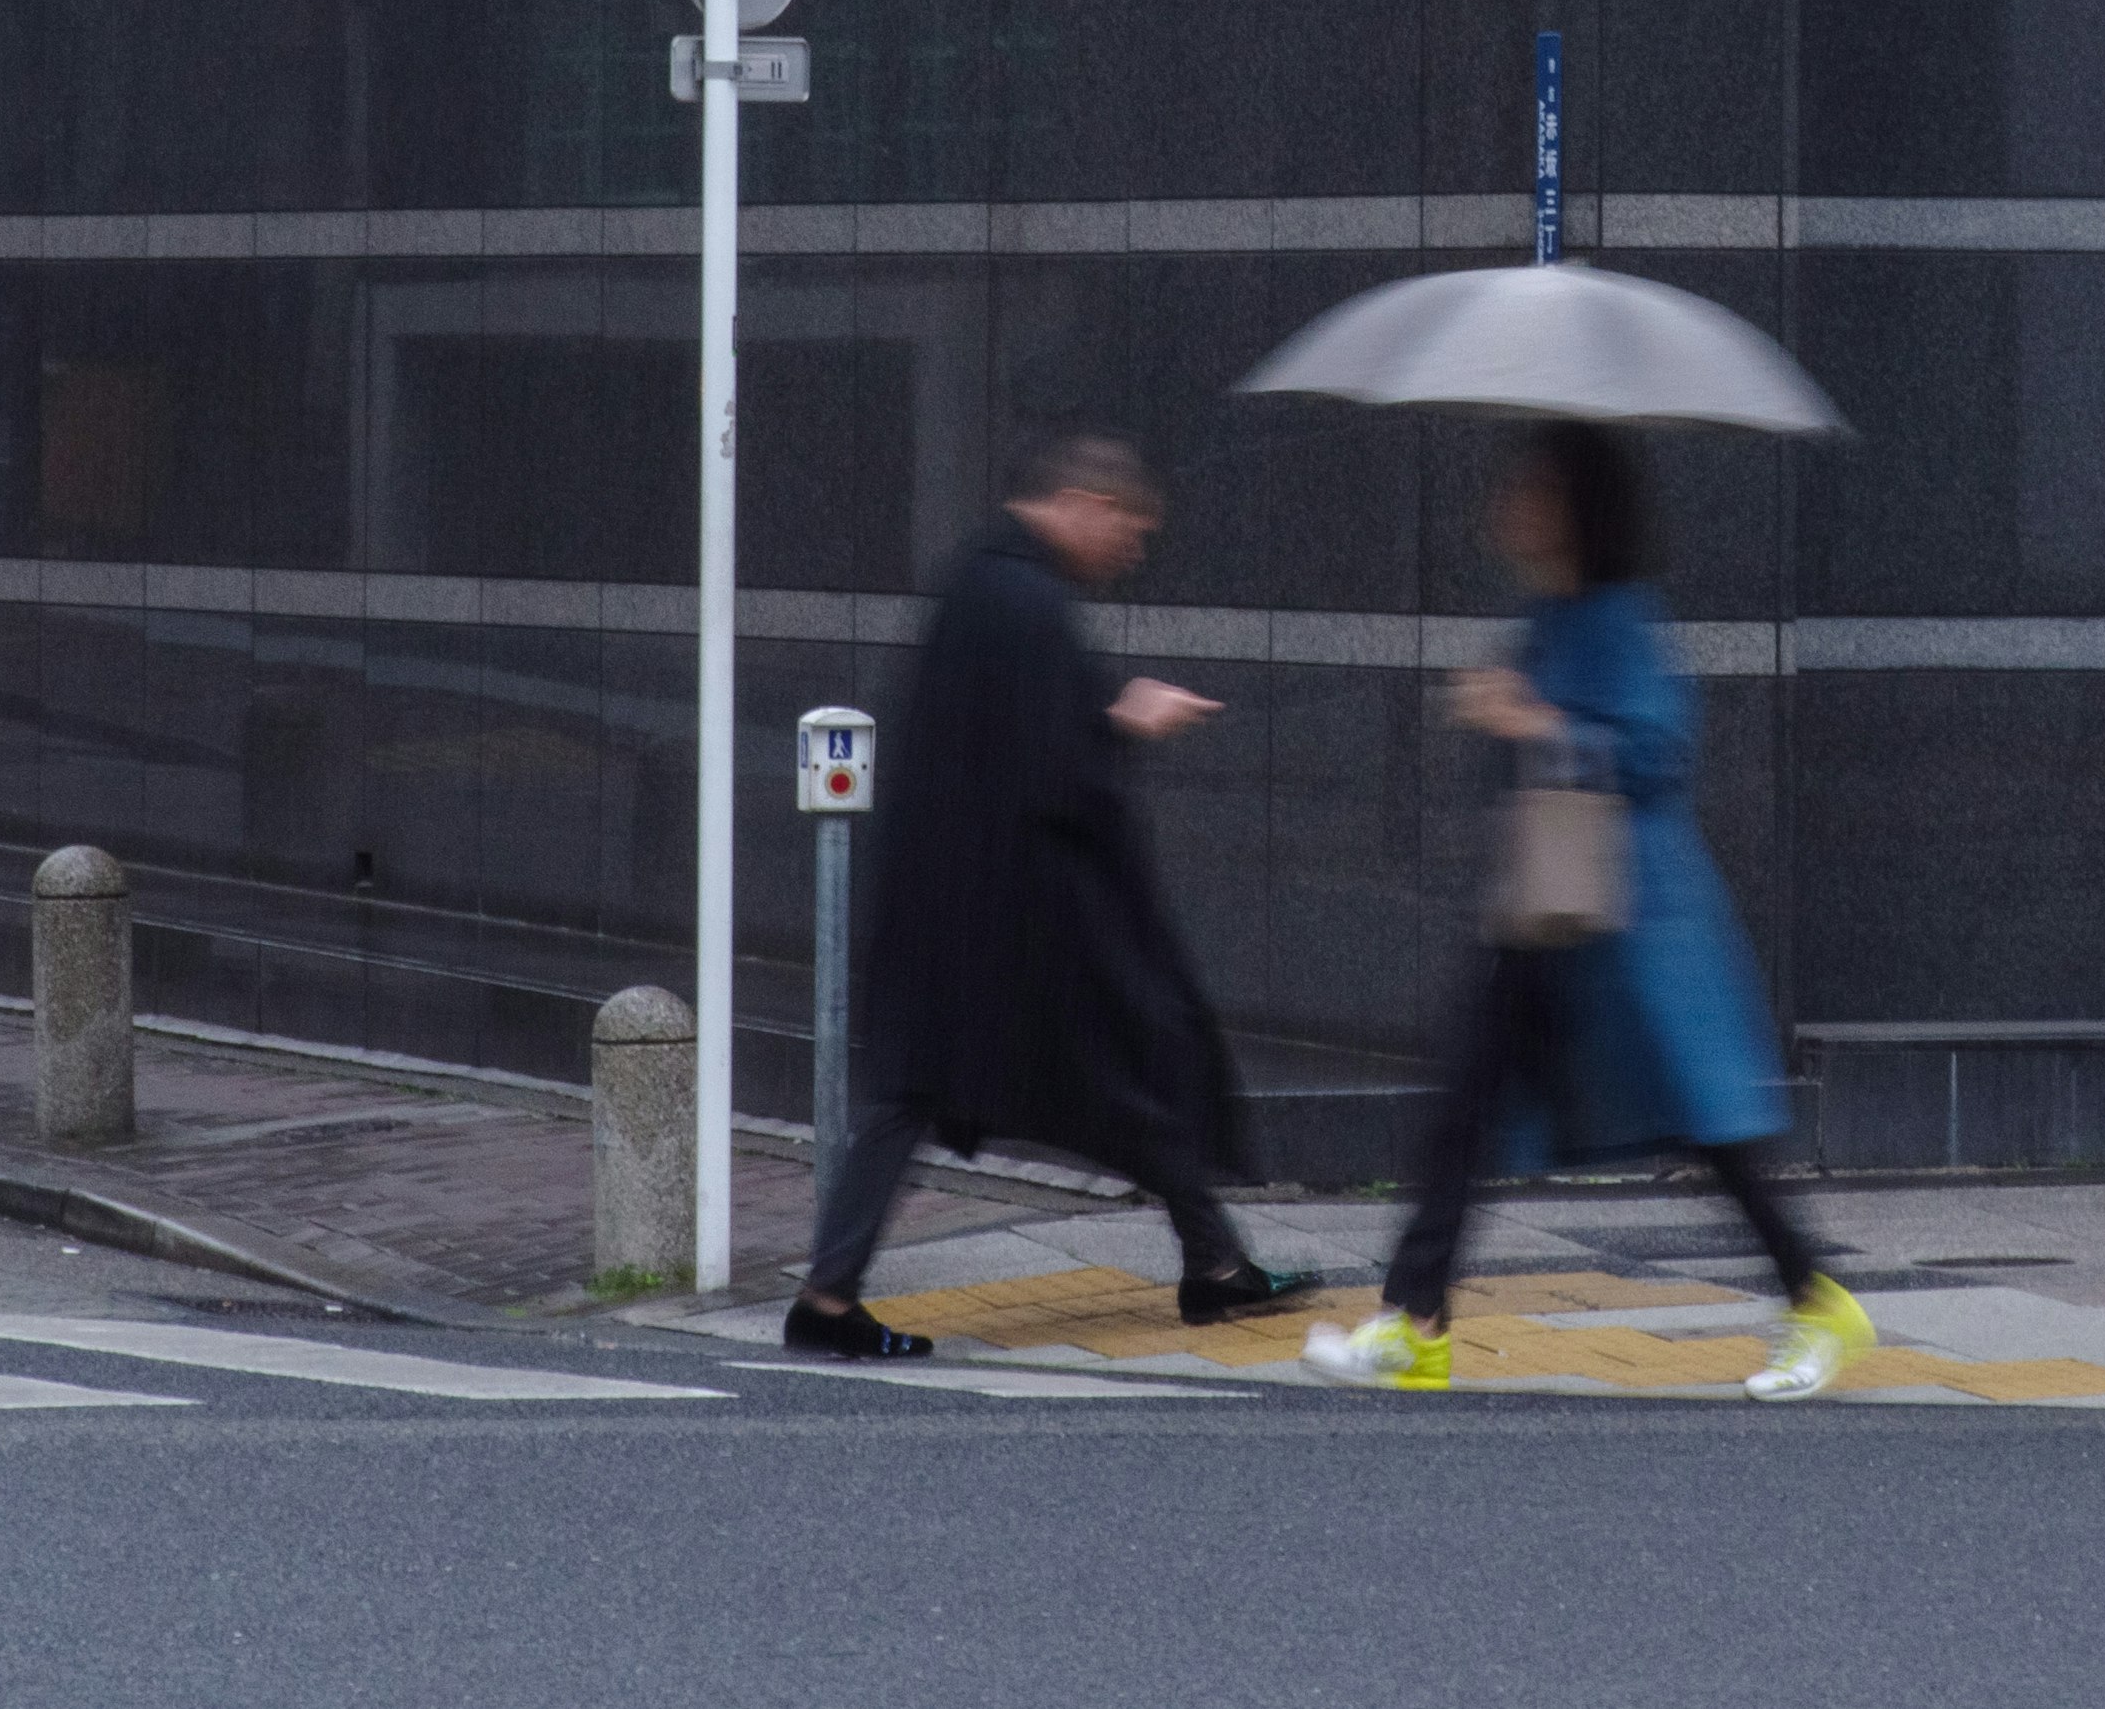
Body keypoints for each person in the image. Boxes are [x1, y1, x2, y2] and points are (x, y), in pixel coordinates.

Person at [1303, 420, 1874, 1401]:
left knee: (1711, 1132)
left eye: (1532, 487)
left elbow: (1655, 752)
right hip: (1547, 920)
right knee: (1464, 1105)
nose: (1511, 503)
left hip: (1638, 929)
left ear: (1577, 507)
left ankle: (1822, 1302)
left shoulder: (1618, 617)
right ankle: (1417, 1320)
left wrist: (1528, 717)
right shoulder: (1547, 616)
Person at [785, 429, 1307, 1358]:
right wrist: (1129, 722)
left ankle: (1215, 1261)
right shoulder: (1029, 602)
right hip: (1022, 918)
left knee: (973, 1091)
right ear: (1090, 506)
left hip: (961, 905)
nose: (1131, 554)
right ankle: (1214, 1264)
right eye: (1132, 533)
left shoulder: (980, 581)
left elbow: (1001, 745)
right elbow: (1053, 770)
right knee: (1120, 1076)